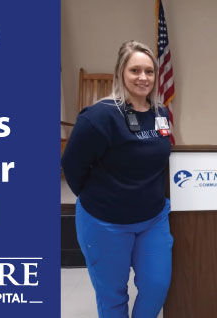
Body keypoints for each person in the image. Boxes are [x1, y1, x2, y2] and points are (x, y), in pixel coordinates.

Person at [61, 40, 173, 318]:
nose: (143, 77)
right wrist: (102, 198)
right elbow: (72, 167)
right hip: (104, 222)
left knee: (157, 285)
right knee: (113, 296)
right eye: (135, 70)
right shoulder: (99, 116)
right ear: (121, 72)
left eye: (149, 71)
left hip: (153, 219)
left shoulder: (162, 113)